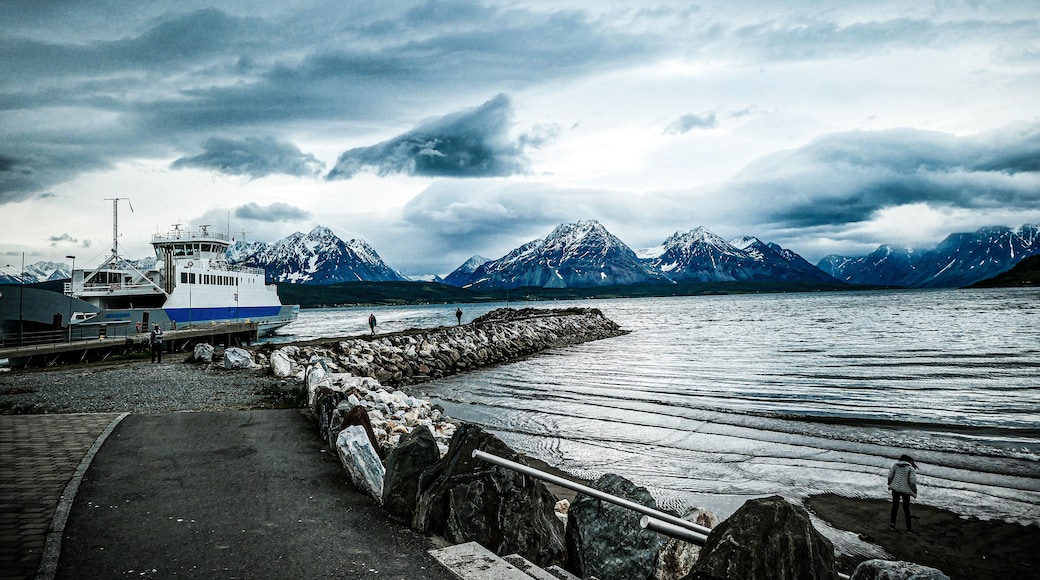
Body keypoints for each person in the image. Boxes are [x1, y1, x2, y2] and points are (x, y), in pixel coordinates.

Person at [888, 454, 918, 533]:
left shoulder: (895, 466)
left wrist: (890, 484)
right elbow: (912, 482)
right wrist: (914, 491)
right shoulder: (911, 468)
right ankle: (909, 529)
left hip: (895, 489)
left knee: (895, 507)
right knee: (906, 509)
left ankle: (892, 526)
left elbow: (890, 477)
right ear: (909, 461)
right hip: (905, 491)